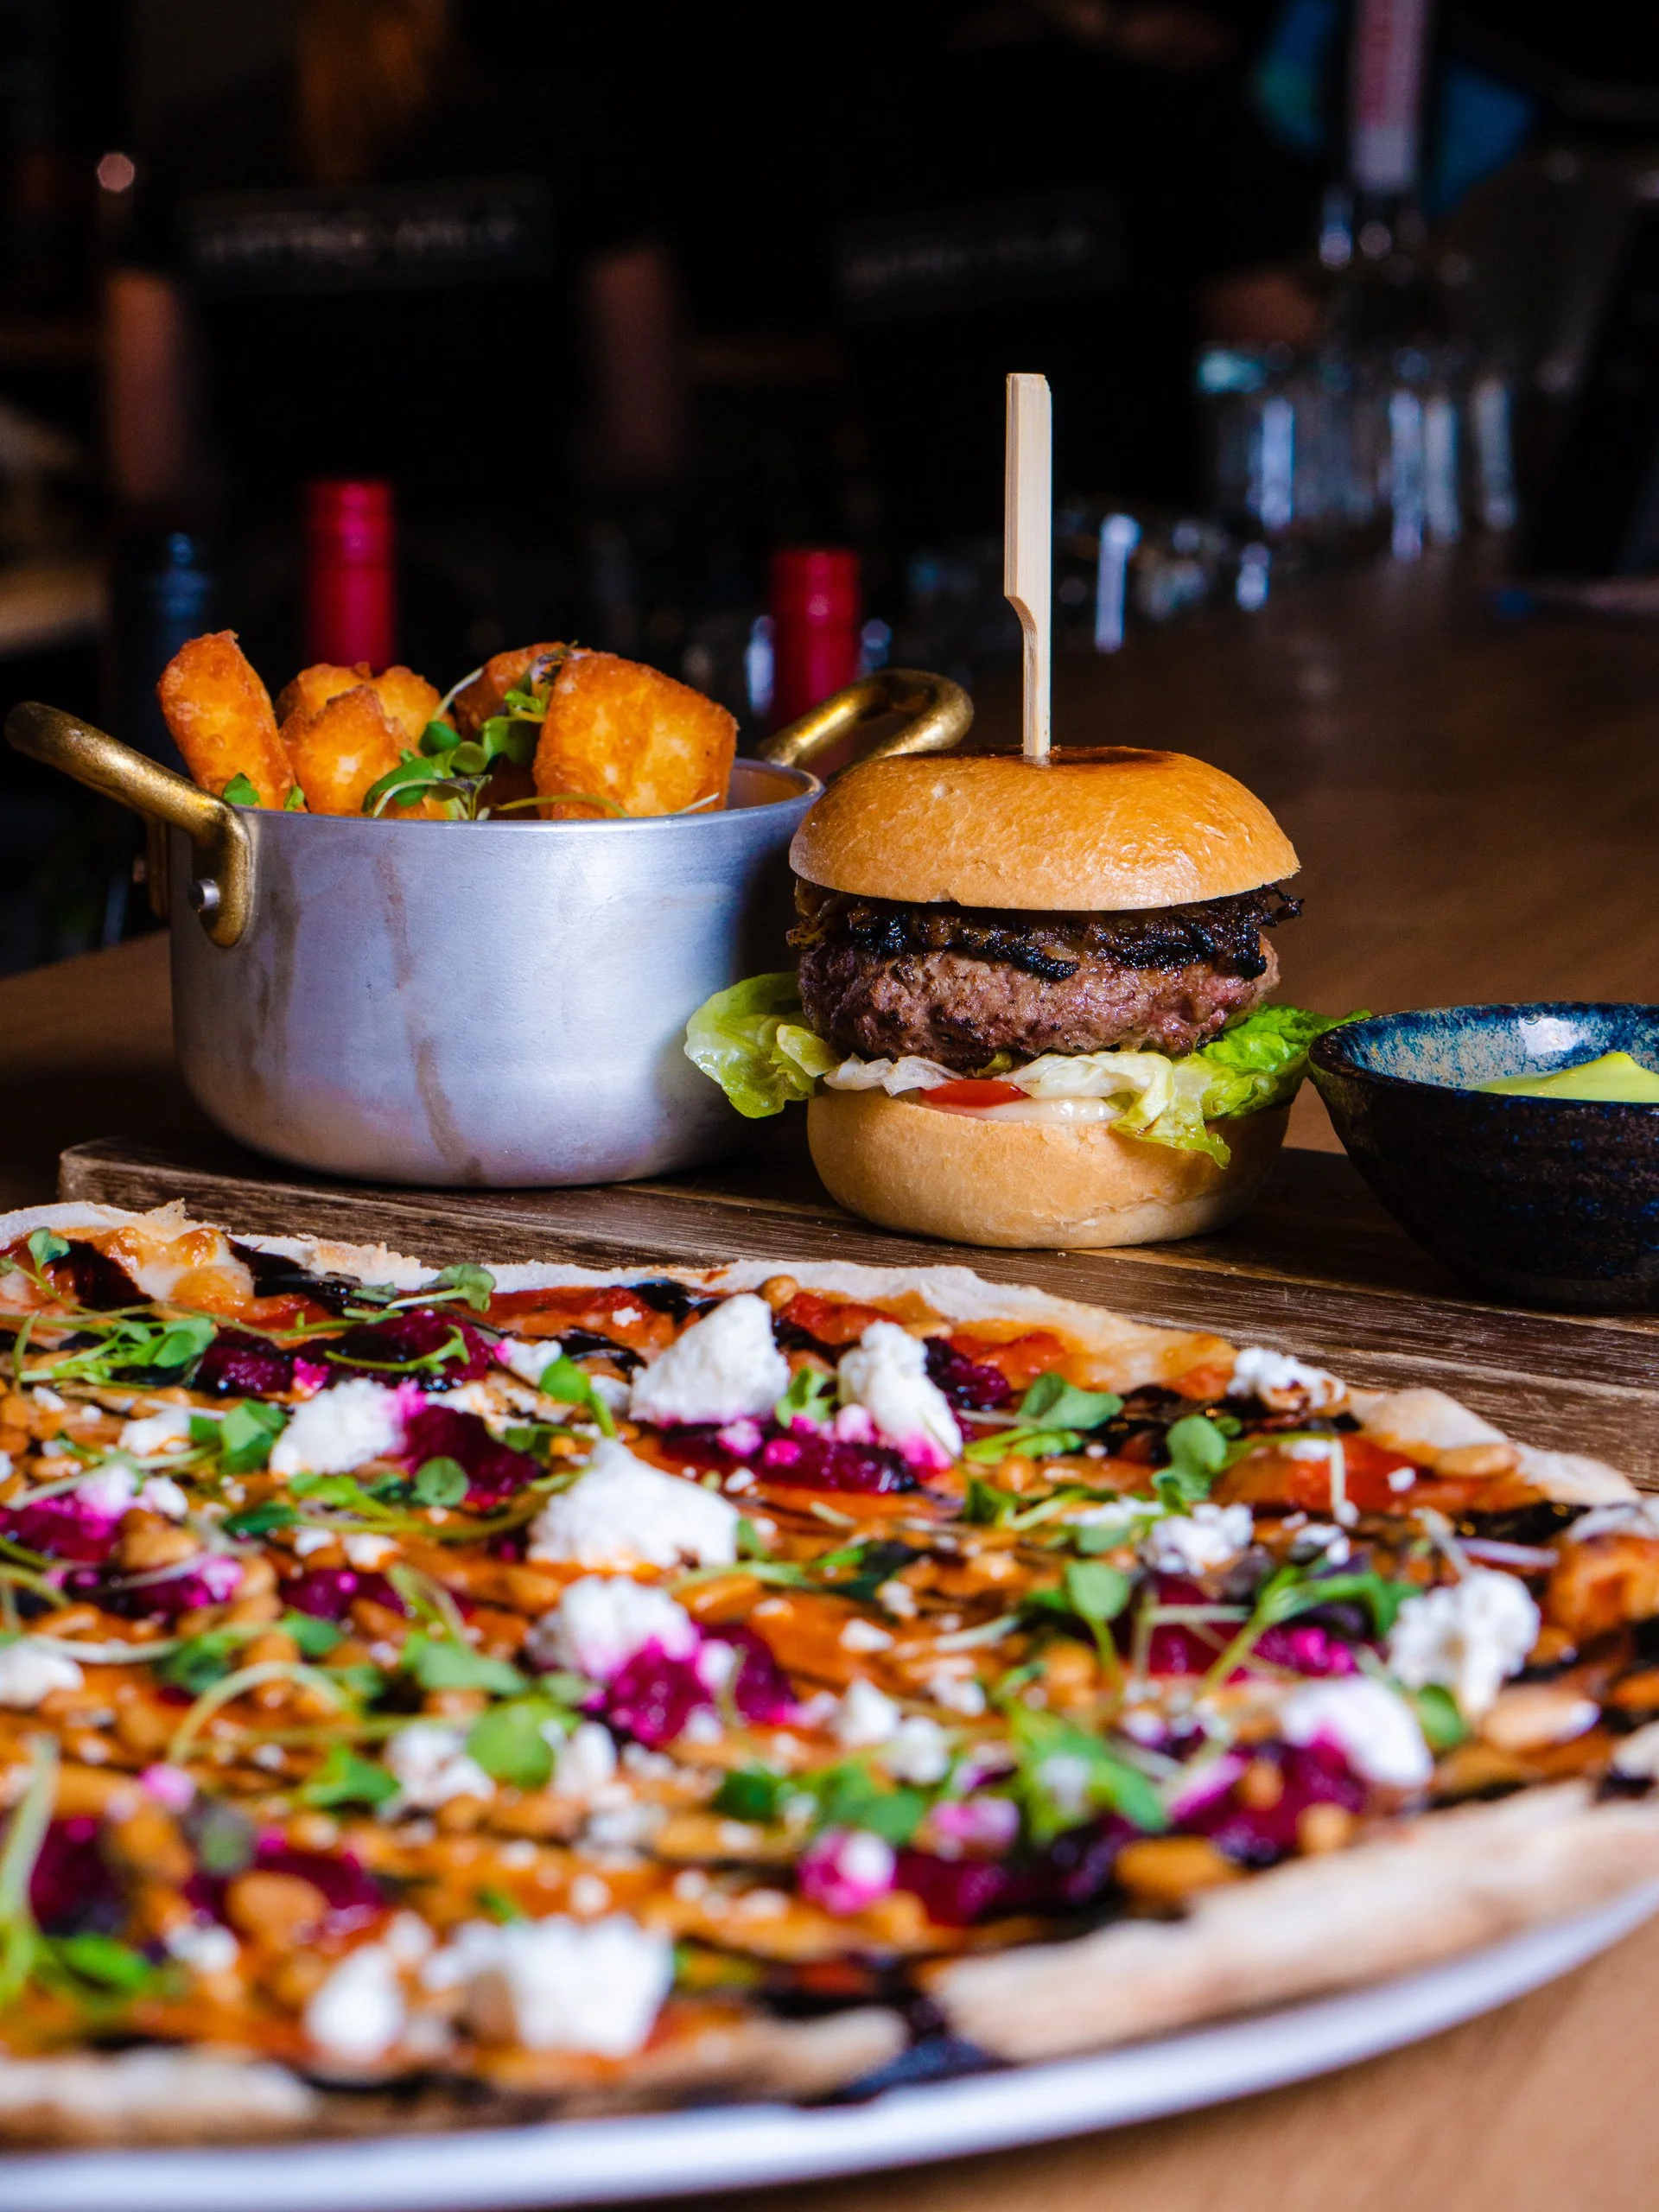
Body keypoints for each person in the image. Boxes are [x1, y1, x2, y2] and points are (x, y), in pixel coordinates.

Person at [106, 0, 684, 677]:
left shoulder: (197, 147)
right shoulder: (562, 135)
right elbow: (645, 439)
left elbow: (152, 466)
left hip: (272, 643)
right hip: (518, 648)